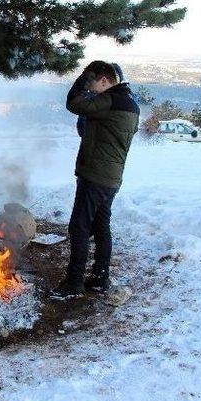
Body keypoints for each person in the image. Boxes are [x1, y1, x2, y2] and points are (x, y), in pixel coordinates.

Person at [53, 61, 139, 298]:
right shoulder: (129, 102)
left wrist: (83, 76)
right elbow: (90, 130)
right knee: (101, 226)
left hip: (95, 176)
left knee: (79, 227)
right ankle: (100, 278)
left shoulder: (111, 99)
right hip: (111, 177)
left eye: (92, 83)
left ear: (104, 80)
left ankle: (73, 283)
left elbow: (73, 103)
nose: (89, 89)